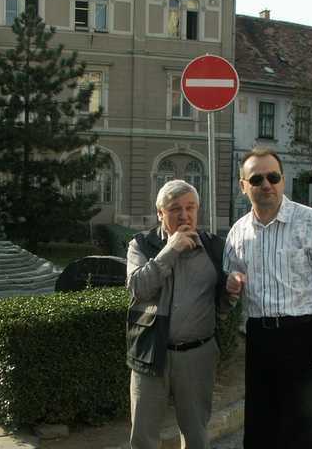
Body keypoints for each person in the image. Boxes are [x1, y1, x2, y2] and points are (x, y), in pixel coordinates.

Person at [224, 147, 312, 449]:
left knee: (300, 433)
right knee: (259, 429)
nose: (266, 184)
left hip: (304, 337)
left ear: (282, 181)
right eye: (256, 179)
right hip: (259, 339)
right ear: (244, 186)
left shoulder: (310, 221)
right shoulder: (238, 232)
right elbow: (229, 287)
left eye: (273, 176)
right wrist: (231, 284)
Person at [126, 179, 231, 449]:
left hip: (198, 354)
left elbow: (224, 305)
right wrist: (170, 250)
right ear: (160, 213)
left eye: (190, 207)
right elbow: (138, 289)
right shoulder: (142, 245)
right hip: (151, 352)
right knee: (144, 437)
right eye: (174, 209)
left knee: (196, 433)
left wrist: (232, 291)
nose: (184, 215)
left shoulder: (213, 248)